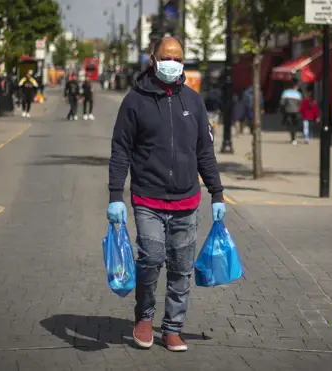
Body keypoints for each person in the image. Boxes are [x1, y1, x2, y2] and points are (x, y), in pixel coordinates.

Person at [107, 36, 226, 352]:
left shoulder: (193, 101)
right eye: (166, 57)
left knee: (181, 267)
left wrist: (217, 193)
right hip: (148, 197)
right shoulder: (134, 101)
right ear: (152, 60)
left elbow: (204, 151)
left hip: (187, 200)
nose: (172, 63)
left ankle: (173, 327)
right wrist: (115, 195)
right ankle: (144, 317)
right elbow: (121, 149)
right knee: (151, 259)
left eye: (177, 58)